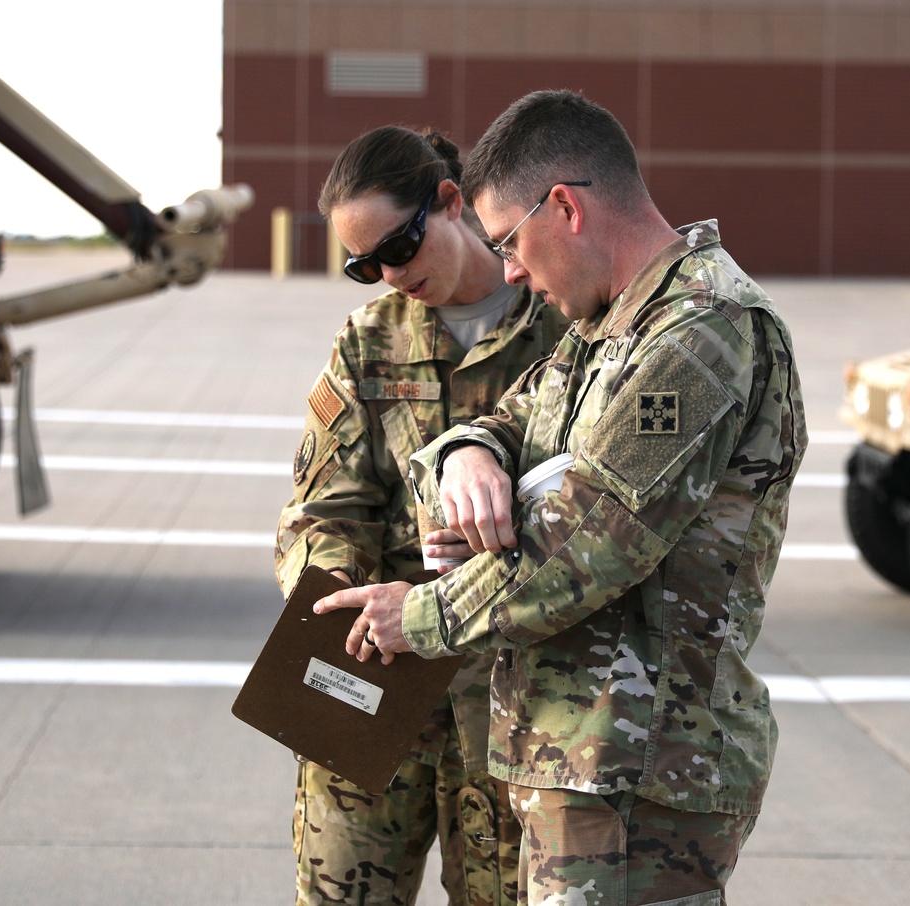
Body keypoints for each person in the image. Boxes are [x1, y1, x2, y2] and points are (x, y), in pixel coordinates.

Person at [315, 91, 809, 906]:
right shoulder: (604, 331)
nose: (507, 268)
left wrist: (419, 617)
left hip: (641, 771)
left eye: (510, 240)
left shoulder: (698, 337)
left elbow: (587, 543)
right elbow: (510, 418)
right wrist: (468, 453)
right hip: (586, 762)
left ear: (567, 208)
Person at [275, 125, 568, 906]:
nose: (390, 275)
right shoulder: (369, 344)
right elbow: (320, 506)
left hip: (513, 700)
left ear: (448, 202)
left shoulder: (561, 328)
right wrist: (332, 588)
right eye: (363, 265)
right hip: (370, 675)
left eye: (399, 249)